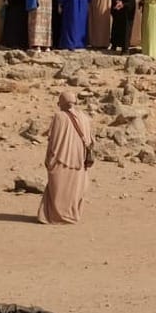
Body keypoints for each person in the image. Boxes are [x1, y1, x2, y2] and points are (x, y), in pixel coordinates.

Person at [39, 91, 94, 224]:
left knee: (58, 189)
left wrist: (49, 158)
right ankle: (71, 215)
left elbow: (54, 141)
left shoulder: (59, 116)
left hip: (60, 159)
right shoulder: (85, 118)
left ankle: (54, 217)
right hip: (80, 161)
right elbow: (91, 140)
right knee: (74, 189)